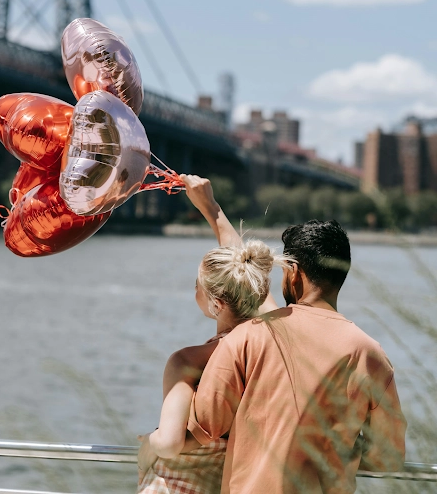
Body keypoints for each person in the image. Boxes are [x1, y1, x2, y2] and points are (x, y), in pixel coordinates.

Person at [181, 175, 407, 493]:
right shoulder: (370, 355)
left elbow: (204, 425)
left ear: (294, 273)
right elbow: (388, 458)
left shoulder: (250, 336)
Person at [136, 194, 290, 493]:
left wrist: (148, 444)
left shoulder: (190, 361)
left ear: (217, 304)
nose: (194, 291)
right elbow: (243, 270)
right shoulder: (273, 338)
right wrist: (211, 207)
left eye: (198, 287)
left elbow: (168, 444)